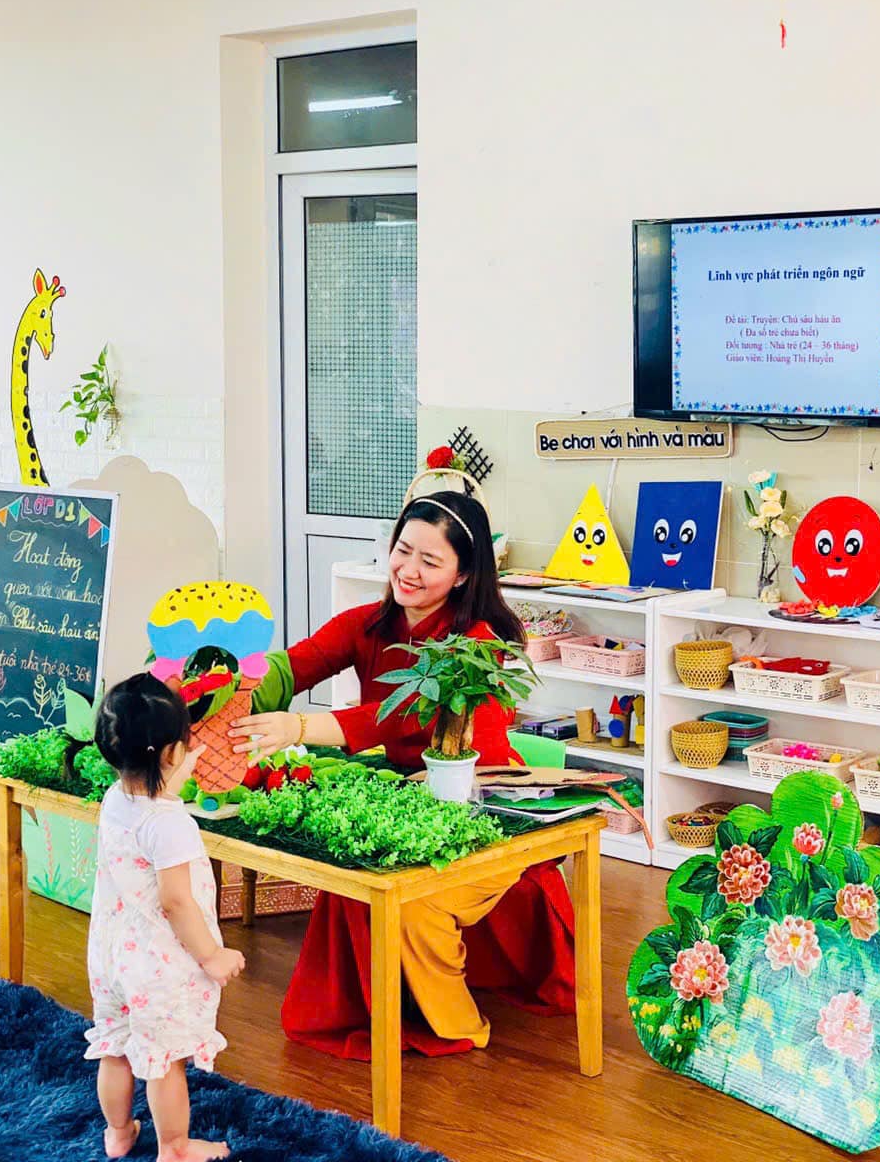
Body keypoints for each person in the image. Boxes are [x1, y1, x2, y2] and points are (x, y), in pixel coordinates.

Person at [231, 491, 575, 1058]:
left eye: (429, 561)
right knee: (352, 866)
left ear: (463, 575)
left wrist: (299, 727)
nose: (408, 570)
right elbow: (296, 665)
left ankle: (458, 1025)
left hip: (483, 802)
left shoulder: (477, 644)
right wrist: (221, 685)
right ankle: (371, 1007)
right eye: (403, 550)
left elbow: (399, 712)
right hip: (409, 795)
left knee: (411, 895)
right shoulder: (369, 623)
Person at [84, 674, 245, 1161]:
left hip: (112, 956)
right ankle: (173, 1147)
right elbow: (176, 902)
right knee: (163, 1060)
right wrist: (212, 955)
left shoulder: (117, 799)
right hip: (158, 965)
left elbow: (149, 798)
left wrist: (174, 767)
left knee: (115, 1046)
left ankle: (118, 1133)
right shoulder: (170, 824)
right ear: (172, 751)